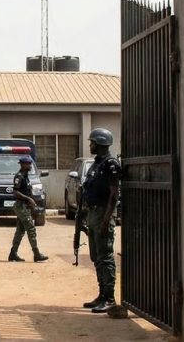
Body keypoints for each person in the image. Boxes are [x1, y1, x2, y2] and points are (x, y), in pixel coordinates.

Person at [81, 128, 121, 313]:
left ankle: (110, 298)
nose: (90, 145)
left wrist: (106, 220)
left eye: (92, 143)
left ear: (100, 143)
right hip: (93, 213)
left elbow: (114, 194)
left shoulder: (110, 164)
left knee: (105, 257)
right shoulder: (97, 164)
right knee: (96, 256)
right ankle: (102, 294)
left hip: (103, 213)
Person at [9, 155, 49, 263]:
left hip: (25, 206)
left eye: (30, 163)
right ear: (22, 164)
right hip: (20, 206)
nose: (30, 165)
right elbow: (15, 192)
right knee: (31, 228)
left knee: (20, 231)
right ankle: (36, 254)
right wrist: (28, 199)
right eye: (28, 164)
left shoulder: (26, 177)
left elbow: (26, 191)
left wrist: (31, 202)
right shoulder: (19, 177)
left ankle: (13, 254)